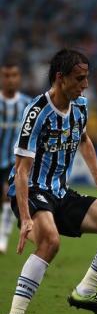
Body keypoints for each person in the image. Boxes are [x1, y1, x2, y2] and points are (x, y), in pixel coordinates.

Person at [0, 49, 97, 314]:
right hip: (33, 191)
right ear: (60, 78)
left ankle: (85, 291)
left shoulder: (81, 106)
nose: (85, 84)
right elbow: (22, 171)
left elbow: (84, 139)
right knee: (50, 242)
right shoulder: (37, 112)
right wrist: (25, 217)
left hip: (61, 193)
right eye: (80, 79)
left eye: (86, 78)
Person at [0, 60, 31, 254]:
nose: (10, 80)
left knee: (5, 195)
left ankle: (2, 238)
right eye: (6, 75)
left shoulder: (27, 104)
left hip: (13, 161)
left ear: (19, 78)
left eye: (14, 75)